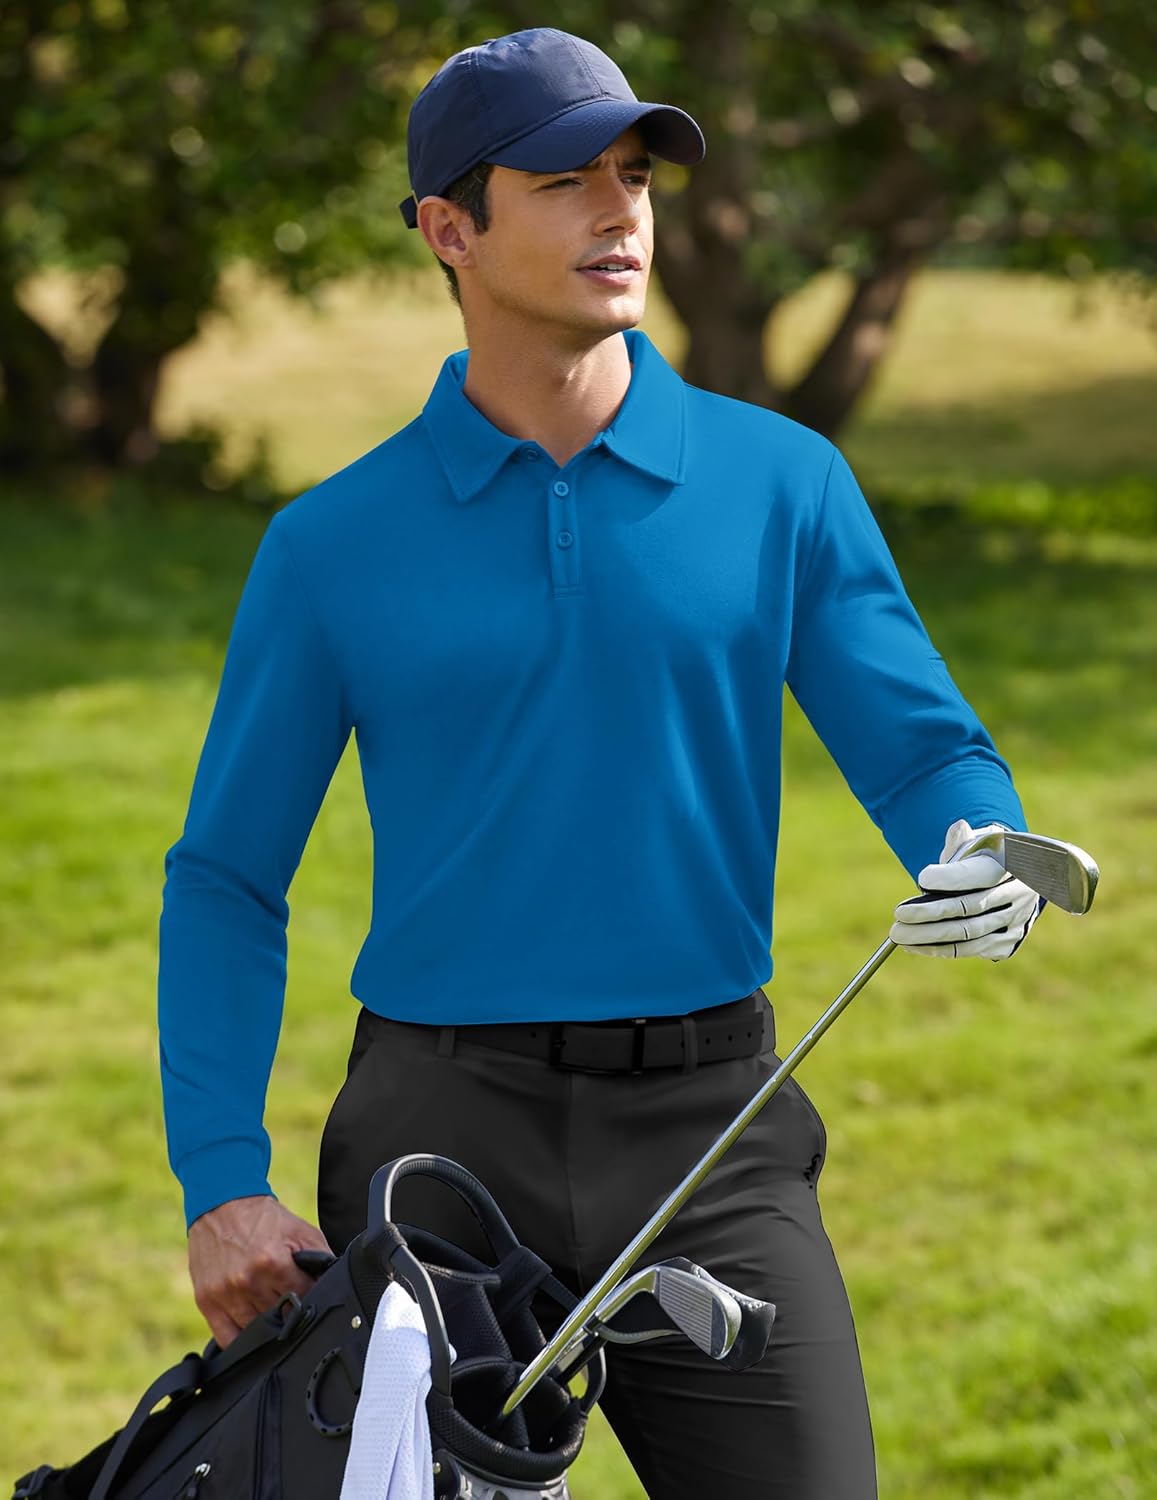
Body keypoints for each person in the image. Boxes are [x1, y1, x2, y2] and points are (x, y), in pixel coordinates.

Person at [157, 27, 1043, 1500]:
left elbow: (925, 750)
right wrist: (220, 1185)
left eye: (631, 175)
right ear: (449, 230)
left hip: (713, 1132)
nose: (619, 211)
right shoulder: (329, 545)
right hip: (436, 1149)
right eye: (564, 181)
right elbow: (227, 879)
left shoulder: (783, 482)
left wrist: (982, 847)